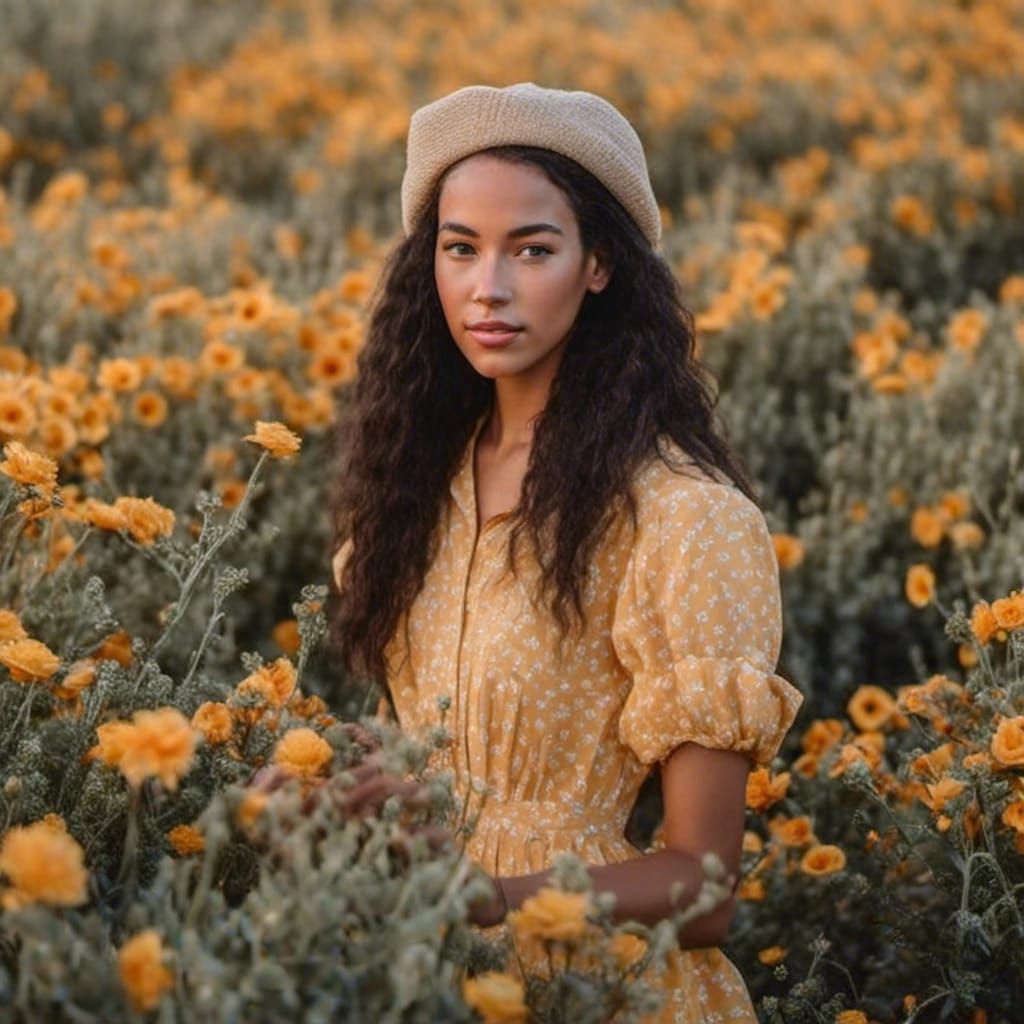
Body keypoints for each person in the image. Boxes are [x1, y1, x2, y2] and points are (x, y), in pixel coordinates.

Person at [325, 82, 805, 1022]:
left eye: (532, 249)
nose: (487, 288)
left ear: (598, 267)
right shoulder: (412, 490)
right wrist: (332, 779)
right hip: (418, 977)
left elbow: (704, 890)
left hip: (599, 987)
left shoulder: (681, 519)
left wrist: (491, 901)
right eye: (459, 248)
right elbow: (437, 758)